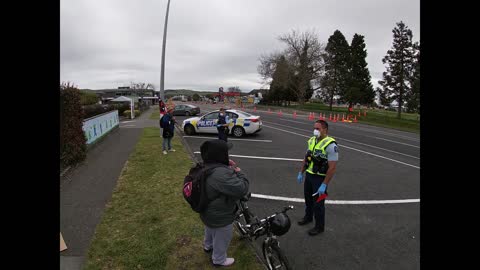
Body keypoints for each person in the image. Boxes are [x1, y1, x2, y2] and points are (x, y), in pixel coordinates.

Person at [199, 140, 249, 267]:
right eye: (225, 152)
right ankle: (219, 259)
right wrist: (238, 171)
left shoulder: (205, 166)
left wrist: (226, 166)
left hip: (207, 211)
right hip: (220, 215)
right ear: (219, 155)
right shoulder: (220, 174)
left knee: (209, 229)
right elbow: (242, 188)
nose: (227, 154)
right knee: (222, 236)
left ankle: (207, 246)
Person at [296, 119, 339, 236]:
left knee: (319, 204)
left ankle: (319, 226)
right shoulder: (312, 141)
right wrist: (301, 172)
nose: (315, 131)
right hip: (309, 176)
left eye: (318, 128)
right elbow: (307, 158)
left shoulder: (331, 145)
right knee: (308, 200)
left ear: (325, 130)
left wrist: (324, 184)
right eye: (314, 128)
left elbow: (332, 168)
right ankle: (308, 217)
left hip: (320, 179)